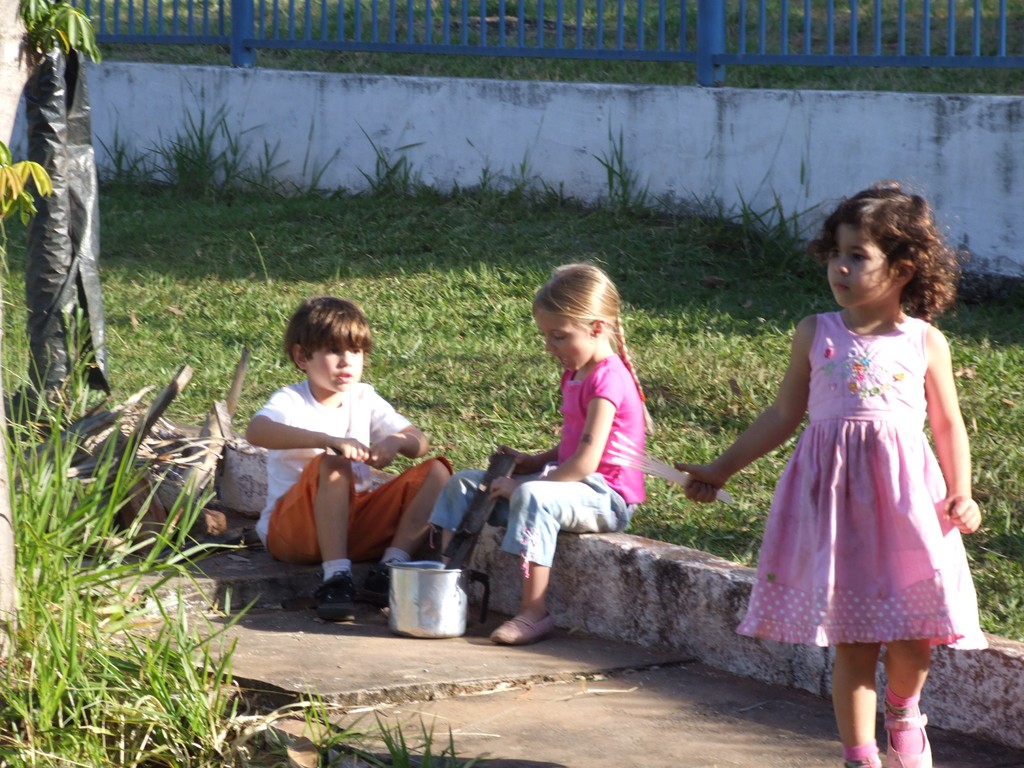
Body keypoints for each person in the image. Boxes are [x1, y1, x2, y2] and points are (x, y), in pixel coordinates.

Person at [679, 182, 986, 768]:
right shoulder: (815, 332)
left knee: (914, 642)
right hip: (836, 512)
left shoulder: (925, 341)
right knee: (855, 642)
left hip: (907, 509)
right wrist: (720, 469)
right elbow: (782, 415)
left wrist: (961, 491)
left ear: (902, 269)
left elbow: (949, 425)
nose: (839, 268)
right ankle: (859, 756)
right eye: (836, 254)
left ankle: (903, 712)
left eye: (857, 256)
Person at [430, 263, 650, 646]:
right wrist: (534, 461)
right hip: (570, 485)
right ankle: (446, 592)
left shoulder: (608, 381)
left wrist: (522, 485)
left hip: (606, 497)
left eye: (559, 336)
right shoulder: (576, 373)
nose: (550, 347)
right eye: (546, 336)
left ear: (597, 328)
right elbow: (574, 447)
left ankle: (533, 612)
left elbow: (586, 462)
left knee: (533, 497)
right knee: (464, 485)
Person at [246, 296, 452, 622]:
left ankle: (390, 567)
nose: (346, 362)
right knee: (334, 464)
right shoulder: (292, 399)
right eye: (333, 351)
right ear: (302, 356)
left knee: (438, 471)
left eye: (355, 351)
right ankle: (336, 578)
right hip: (293, 534)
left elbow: (420, 443)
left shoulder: (363, 397)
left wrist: (395, 442)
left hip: (352, 528)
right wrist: (327, 441)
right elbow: (256, 431)